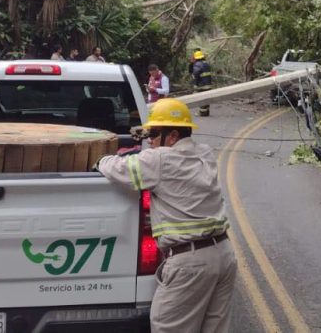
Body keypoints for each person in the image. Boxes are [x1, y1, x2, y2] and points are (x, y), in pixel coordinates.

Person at [96, 99, 236, 332]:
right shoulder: (205, 154)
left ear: (172, 136)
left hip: (189, 262)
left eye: (154, 133)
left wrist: (102, 160)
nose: (149, 140)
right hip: (223, 255)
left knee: (169, 327)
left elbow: (118, 168)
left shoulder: (159, 160)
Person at [189, 49, 214, 117]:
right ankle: (206, 112)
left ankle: (202, 113)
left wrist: (195, 85)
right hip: (208, 84)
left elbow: (195, 75)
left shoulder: (197, 64)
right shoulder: (206, 64)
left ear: (196, 58)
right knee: (206, 99)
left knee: (201, 99)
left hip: (201, 85)